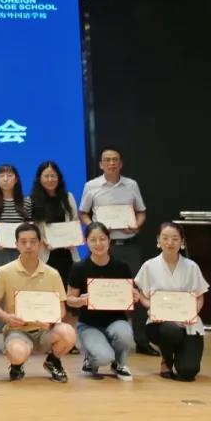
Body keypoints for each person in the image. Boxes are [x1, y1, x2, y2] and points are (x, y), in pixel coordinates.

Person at [78, 146, 156, 356]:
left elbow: (141, 211)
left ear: (120, 163)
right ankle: (99, 337)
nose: (111, 163)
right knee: (100, 290)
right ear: (101, 164)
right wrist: (95, 228)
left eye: (115, 160)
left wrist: (137, 225)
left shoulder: (131, 185)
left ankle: (141, 340)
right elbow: (83, 213)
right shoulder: (91, 186)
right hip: (102, 249)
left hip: (128, 245)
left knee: (136, 291)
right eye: (107, 160)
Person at [0, 223, 76, 383]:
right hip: (17, 330)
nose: (28, 246)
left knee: (68, 332)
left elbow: (62, 309)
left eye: (33, 241)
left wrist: (51, 321)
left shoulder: (53, 274)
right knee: (17, 353)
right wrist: (6, 317)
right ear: (16, 244)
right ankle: (17, 364)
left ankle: (53, 360)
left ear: (40, 244)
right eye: (23, 242)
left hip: (44, 331)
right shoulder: (4, 272)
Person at [135, 222, 210, 382]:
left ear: (182, 242)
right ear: (158, 240)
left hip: (188, 325)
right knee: (170, 331)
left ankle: (181, 356)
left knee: (188, 372)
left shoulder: (191, 267)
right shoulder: (149, 266)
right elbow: (143, 296)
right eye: (165, 238)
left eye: (175, 238)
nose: (170, 242)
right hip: (160, 324)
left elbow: (200, 297)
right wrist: (155, 308)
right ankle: (167, 359)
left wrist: (191, 314)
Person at [65, 222, 137, 381]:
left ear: (109, 240)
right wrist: (80, 301)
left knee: (126, 336)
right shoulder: (79, 268)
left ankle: (120, 364)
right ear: (86, 242)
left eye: (102, 239)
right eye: (93, 239)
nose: (98, 244)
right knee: (103, 357)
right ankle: (91, 359)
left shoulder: (122, 268)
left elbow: (127, 300)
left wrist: (133, 297)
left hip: (116, 321)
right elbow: (69, 299)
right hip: (89, 324)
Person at [30, 160, 81, 343]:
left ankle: (69, 338)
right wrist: (42, 241)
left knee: (69, 298)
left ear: (59, 178)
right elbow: (32, 227)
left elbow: (74, 221)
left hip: (67, 254)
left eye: (53, 176)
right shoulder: (32, 200)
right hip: (46, 255)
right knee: (49, 297)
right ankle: (51, 336)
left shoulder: (68, 197)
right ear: (39, 179)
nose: (50, 179)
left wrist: (73, 238)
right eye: (46, 176)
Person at [0, 164, 29, 271]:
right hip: (0, 251)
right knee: (0, 279)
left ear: (16, 179)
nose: (5, 179)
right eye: (1, 176)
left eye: (9, 176)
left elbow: (32, 228)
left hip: (23, 251)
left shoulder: (27, 202)